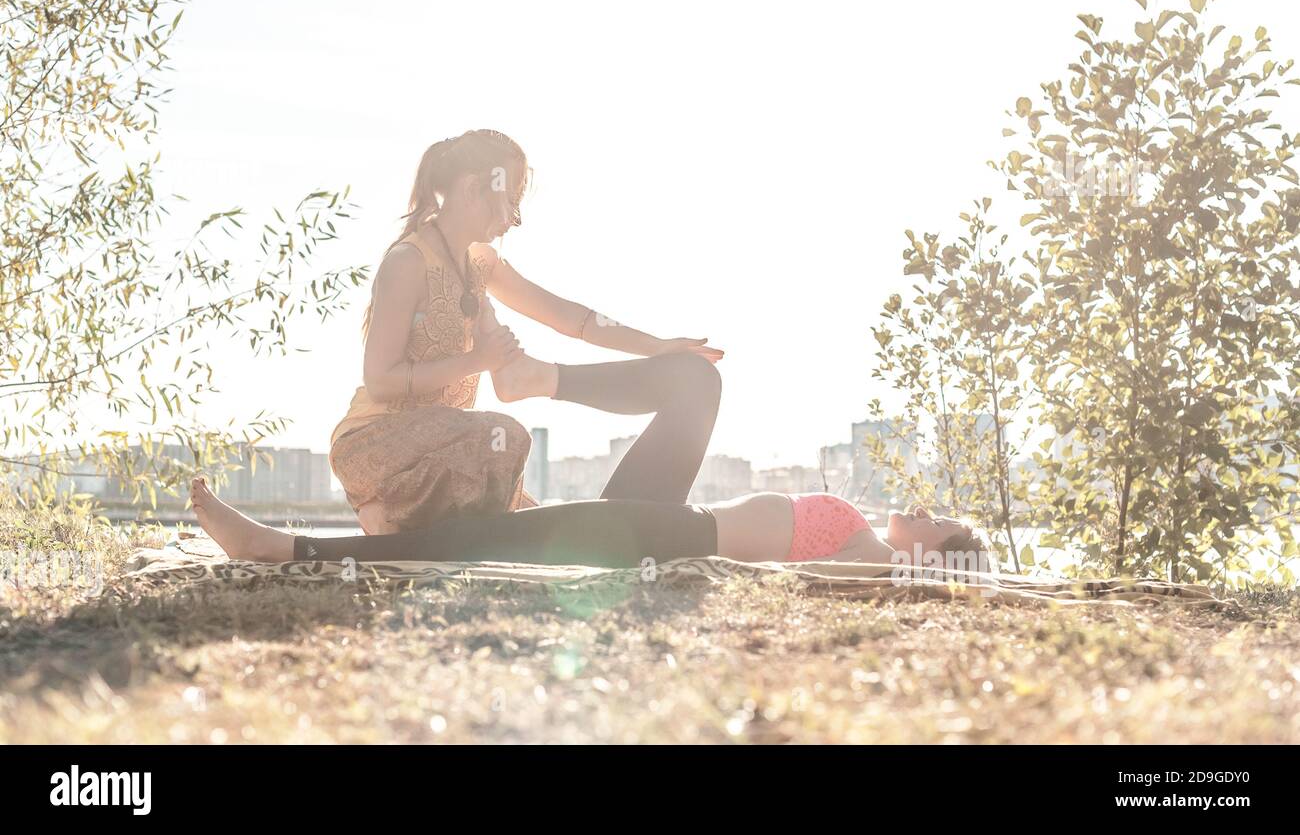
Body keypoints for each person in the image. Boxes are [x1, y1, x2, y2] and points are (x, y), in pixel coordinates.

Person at [329, 129, 724, 535]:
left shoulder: (479, 263)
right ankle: (387, 513)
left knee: (546, 530)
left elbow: (571, 318)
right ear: (471, 189)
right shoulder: (407, 261)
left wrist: (654, 346)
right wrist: (475, 362)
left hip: (452, 450)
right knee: (506, 437)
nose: (514, 216)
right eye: (511, 198)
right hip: (376, 442)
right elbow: (379, 381)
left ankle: (401, 522)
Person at [188, 476, 996, 573]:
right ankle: (285, 543)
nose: (923, 510)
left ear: (938, 559)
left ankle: (279, 546)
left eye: (940, 522)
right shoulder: (864, 534)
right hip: (666, 520)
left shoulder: (866, 557)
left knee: (471, 541)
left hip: (666, 533)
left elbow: (856, 581)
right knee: (478, 534)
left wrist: (933, 580)